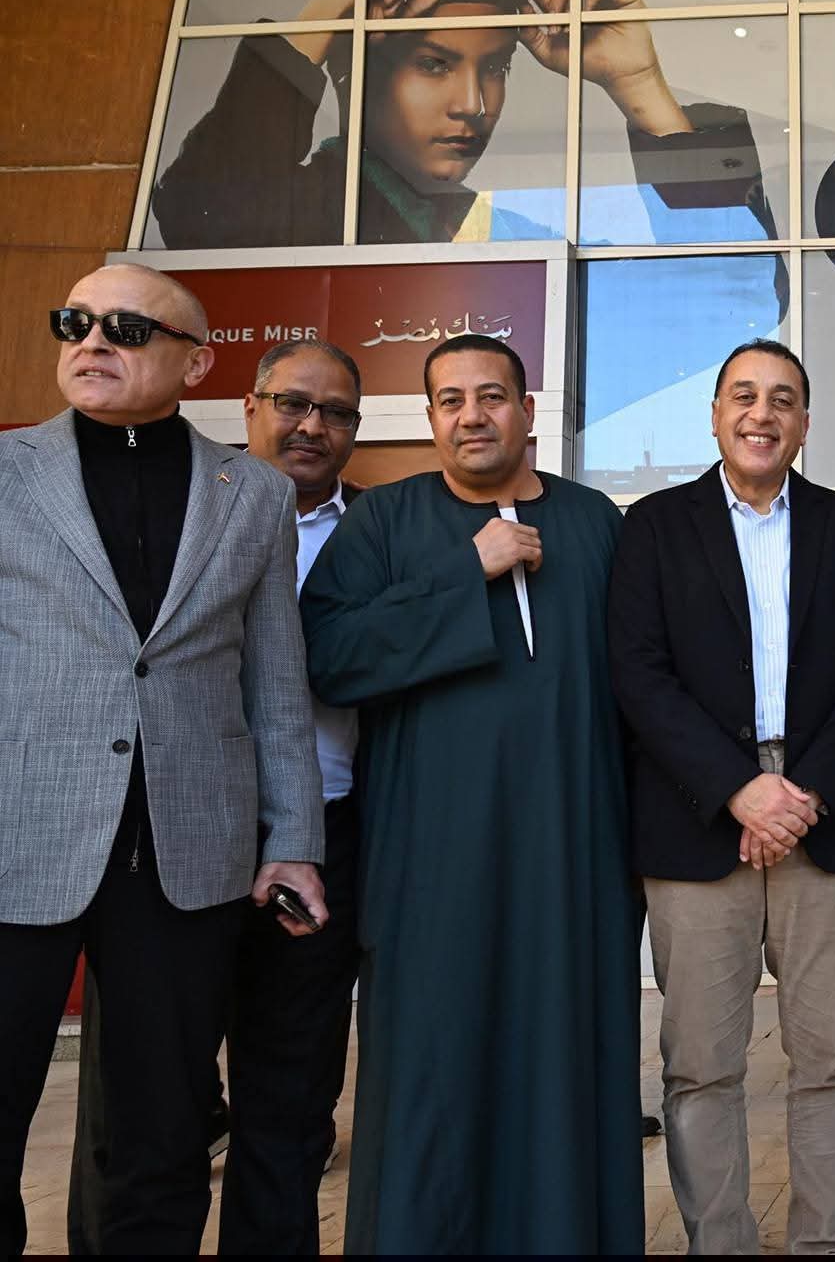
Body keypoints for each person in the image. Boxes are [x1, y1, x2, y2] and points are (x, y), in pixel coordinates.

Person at [0, 264, 325, 1256]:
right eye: (76, 322)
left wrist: (294, 840)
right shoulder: (7, 472)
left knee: (161, 1138)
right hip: (19, 838)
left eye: (127, 328)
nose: (93, 341)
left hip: (186, 853)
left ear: (195, 363)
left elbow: (275, 684)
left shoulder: (255, 492)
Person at [299, 334, 641, 1253]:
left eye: (491, 396)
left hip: (572, 860)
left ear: (529, 412)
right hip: (431, 867)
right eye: (450, 400)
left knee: (564, 1067)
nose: (472, 415)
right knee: (434, 1072)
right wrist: (467, 571)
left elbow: (647, 673)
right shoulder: (383, 523)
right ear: (430, 419)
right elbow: (327, 656)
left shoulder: (593, 521)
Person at [69, 340, 368, 1255]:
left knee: (290, 1099)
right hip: (164, 837)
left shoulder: (381, 532)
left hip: (322, 838)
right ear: (249, 405)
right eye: (293, 403)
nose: (311, 425)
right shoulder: (178, 505)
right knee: (142, 1100)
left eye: (335, 412)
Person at [607, 339, 835, 1255]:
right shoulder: (654, 527)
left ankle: (822, 1245)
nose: (761, 413)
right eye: (743, 395)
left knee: (832, 1060)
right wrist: (738, 789)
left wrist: (799, 794)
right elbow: (639, 673)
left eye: (781, 398)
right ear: (714, 416)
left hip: (827, 821)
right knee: (700, 1066)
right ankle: (721, 1243)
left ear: (806, 422)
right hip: (697, 825)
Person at [151, 0, 776, 249]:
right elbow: (199, 217)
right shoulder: (292, 211)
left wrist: (638, 83)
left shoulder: (515, 240)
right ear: (354, 70)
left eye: (497, 68)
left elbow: (730, 295)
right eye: (433, 64)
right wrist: (330, 15)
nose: (475, 105)